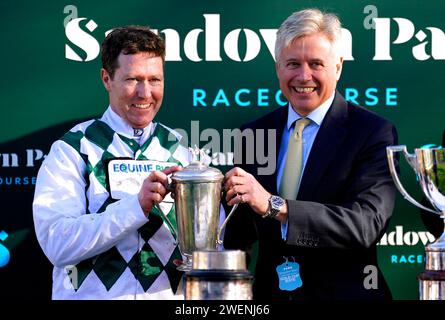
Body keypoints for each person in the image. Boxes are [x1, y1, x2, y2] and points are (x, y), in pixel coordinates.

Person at [223, 9, 398, 300]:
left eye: (316, 64)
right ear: (278, 67)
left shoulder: (373, 132)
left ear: (338, 67)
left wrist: (275, 206)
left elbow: (367, 225)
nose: (304, 76)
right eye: (293, 63)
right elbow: (236, 234)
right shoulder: (253, 133)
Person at [33, 26, 190, 299]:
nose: (145, 93)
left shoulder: (181, 152)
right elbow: (57, 243)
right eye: (133, 79)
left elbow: (208, 248)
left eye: (155, 79)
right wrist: (136, 206)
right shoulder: (73, 148)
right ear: (107, 79)